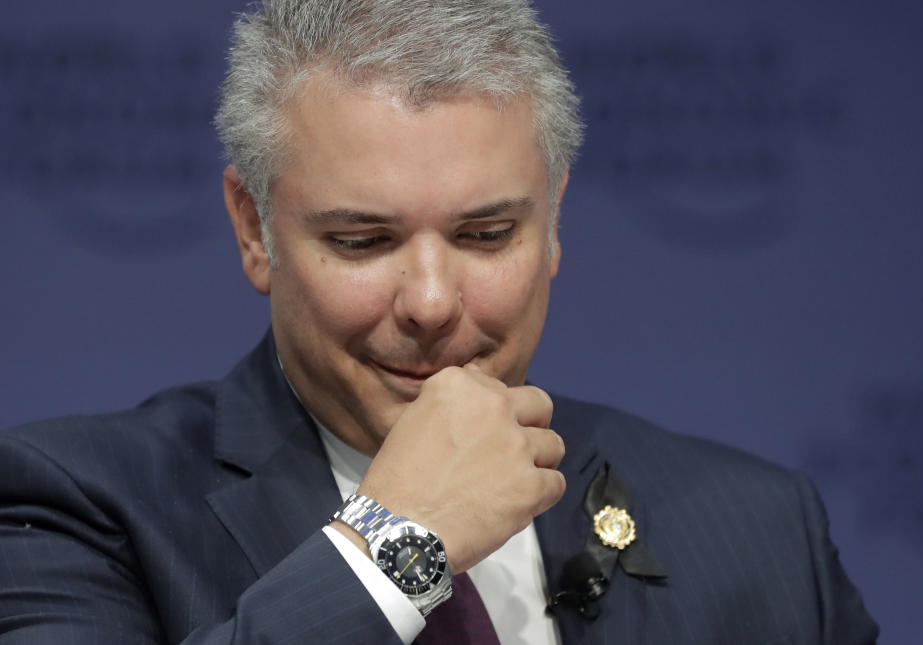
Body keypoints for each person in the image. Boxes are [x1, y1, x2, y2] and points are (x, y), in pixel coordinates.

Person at [0, 0, 878, 643]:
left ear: (553, 222)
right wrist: (395, 543)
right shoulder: (74, 505)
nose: (429, 300)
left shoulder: (760, 530)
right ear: (253, 228)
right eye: (362, 239)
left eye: (485, 233)